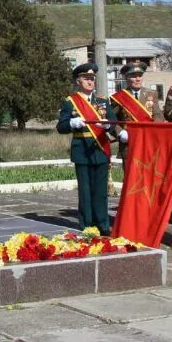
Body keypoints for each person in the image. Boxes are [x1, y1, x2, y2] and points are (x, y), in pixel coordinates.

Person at [57, 63, 116, 234]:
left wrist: (107, 127)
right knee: (85, 191)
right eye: (86, 79)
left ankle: (103, 225)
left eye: (92, 79)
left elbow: (112, 122)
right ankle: (87, 225)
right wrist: (71, 123)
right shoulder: (70, 102)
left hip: (100, 149)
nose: (90, 82)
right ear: (78, 81)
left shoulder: (103, 101)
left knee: (101, 192)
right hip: (82, 150)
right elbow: (60, 127)